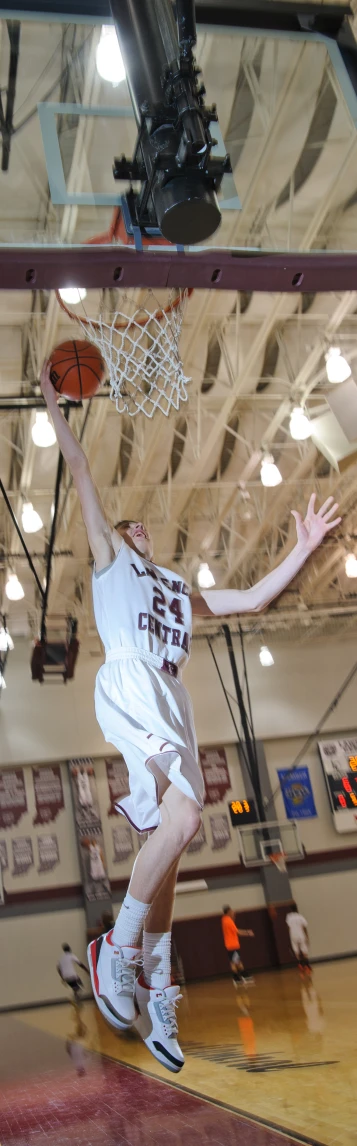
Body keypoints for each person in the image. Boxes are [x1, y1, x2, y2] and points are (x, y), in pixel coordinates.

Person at [40, 360, 340, 1073]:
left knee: (173, 840)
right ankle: (115, 953)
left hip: (170, 698)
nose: (136, 522)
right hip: (130, 680)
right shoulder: (112, 561)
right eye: (126, 522)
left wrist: (299, 549)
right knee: (181, 818)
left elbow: (251, 599)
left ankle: (157, 988)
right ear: (117, 537)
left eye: (141, 523)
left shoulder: (175, 589)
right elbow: (81, 468)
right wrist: (56, 408)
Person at [221, 906, 254, 986]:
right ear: (228, 912)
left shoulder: (224, 919)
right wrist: (248, 932)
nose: (233, 912)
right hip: (233, 945)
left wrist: (233, 917)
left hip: (229, 945)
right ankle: (242, 976)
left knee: (234, 961)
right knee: (237, 962)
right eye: (231, 911)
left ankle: (237, 978)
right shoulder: (228, 921)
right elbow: (238, 932)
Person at [286, 904, 311, 973]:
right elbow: (304, 927)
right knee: (304, 949)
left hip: (293, 935)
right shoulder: (300, 917)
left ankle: (300, 964)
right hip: (301, 934)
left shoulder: (289, 917)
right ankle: (307, 965)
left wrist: (289, 936)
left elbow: (288, 927)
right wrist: (307, 936)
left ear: (290, 909)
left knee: (296, 950)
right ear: (297, 909)